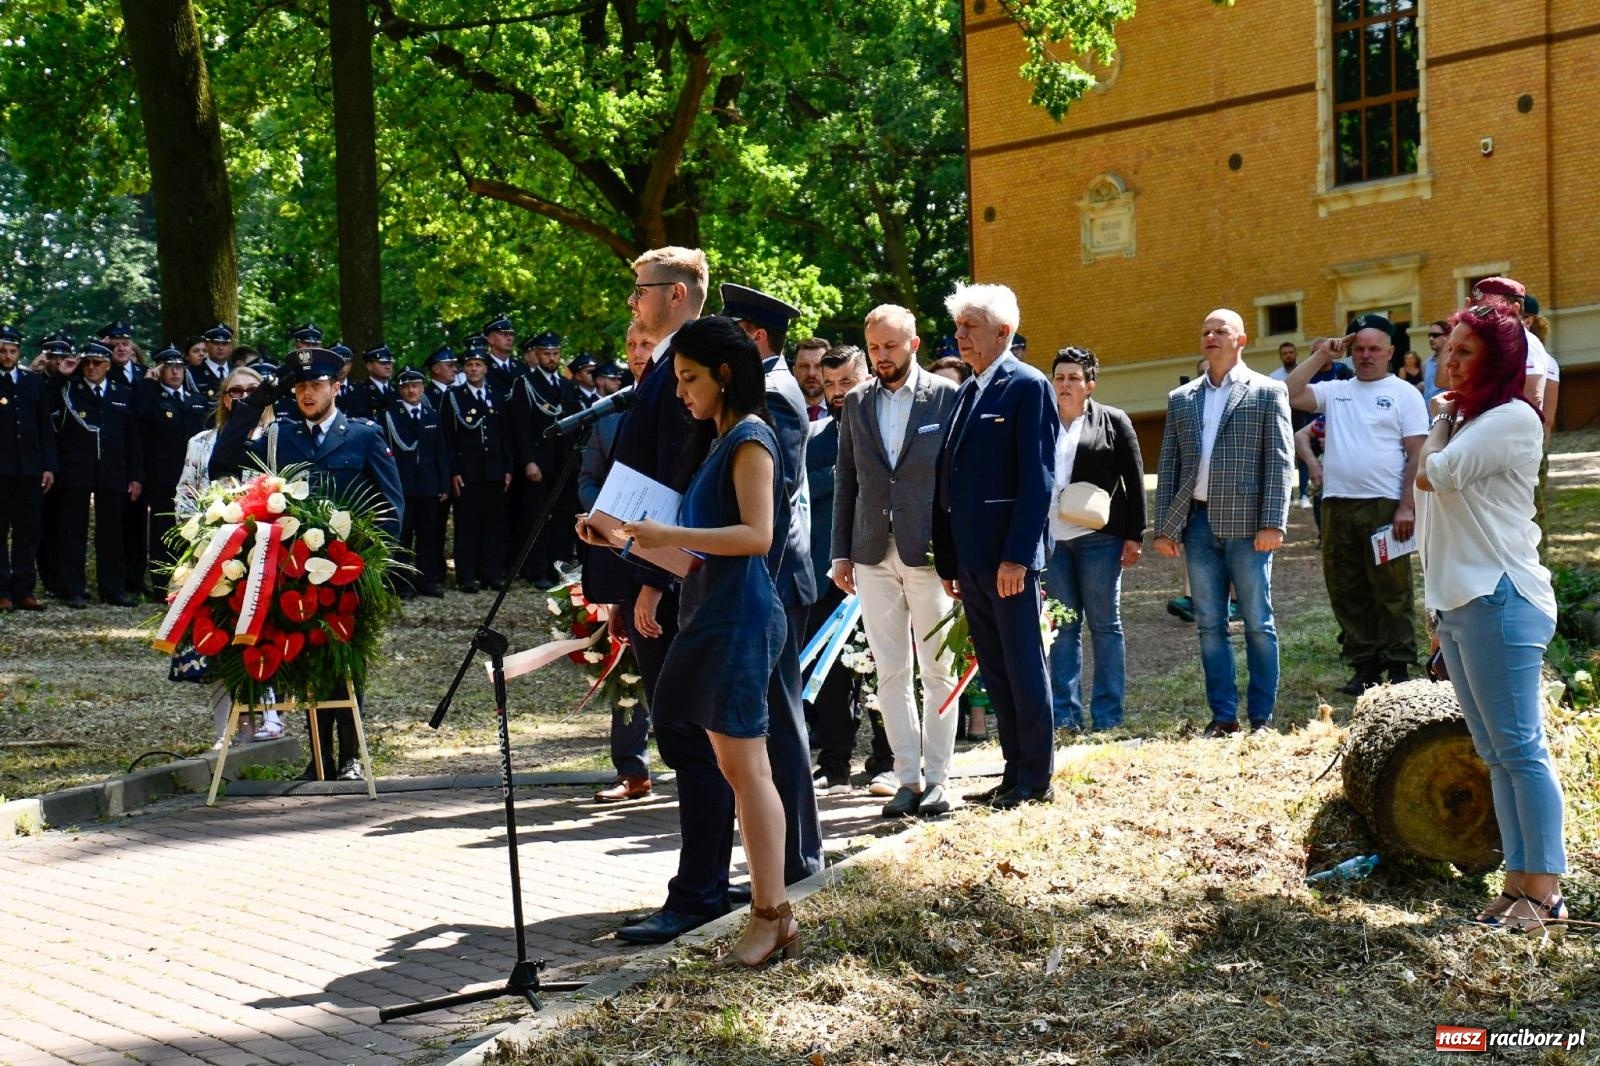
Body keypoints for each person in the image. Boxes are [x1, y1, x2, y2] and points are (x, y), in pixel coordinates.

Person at [578, 315, 796, 967]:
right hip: (712, 610)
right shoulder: (720, 441)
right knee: (734, 766)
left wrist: (666, 535)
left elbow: (757, 536)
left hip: (738, 616)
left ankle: (771, 915)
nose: (680, 392)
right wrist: (621, 537)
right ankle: (768, 914)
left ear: (725, 375)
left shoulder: (751, 438)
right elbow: (699, 556)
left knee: (747, 769)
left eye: (690, 378)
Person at [1415, 299, 1566, 937]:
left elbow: (1435, 476)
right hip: (1460, 599)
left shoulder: (1510, 419)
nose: (1450, 358)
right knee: (1495, 752)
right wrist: (1433, 604)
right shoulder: (1470, 417)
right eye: (1448, 347)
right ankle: (1517, 884)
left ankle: (1548, 893)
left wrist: (1442, 418)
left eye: (1466, 350)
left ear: (1500, 358)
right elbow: (1434, 517)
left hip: (1500, 596)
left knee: (1520, 750)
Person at [608, 246, 730, 945]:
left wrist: (654, 580)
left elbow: (680, 480)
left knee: (687, 733)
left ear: (678, 294)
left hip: (675, 576)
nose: (634, 303)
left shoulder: (693, 369)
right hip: (650, 564)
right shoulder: (665, 366)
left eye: (642, 290)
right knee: (685, 734)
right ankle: (703, 879)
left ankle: (700, 889)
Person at [210, 348, 404, 779]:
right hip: (295, 570)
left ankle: (351, 756)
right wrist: (258, 400)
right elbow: (222, 461)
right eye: (299, 386)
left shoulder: (363, 435)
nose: (306, 393)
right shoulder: (282, 435)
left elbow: (391, 506)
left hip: (350, 571)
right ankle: (320, 759)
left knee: (347, 662)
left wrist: (375, 568)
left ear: (337, 387)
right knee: (308, 661)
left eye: (316, 384)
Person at [831, 307, 962, 815]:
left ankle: (940, 778)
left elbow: (958, 480)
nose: (881, 357)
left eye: (890, 346)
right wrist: (840, 551)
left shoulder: (947, 397)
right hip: (869, 552)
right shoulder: (857, 401)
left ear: (914, 342)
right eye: (874, 348)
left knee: (939, 671)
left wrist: (959, 553)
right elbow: (847, 477)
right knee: (890, 672)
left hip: (929, 553)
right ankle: (906, 778)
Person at [932, 283, 1057, 808]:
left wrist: (1018, 556)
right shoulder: (967, 390)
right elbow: (949, 479)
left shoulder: (1028, 386)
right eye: (958, 327)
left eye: (970, 327)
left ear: (1003, 333)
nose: (960, 336)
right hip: (972, 559)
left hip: (1007, 560)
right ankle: (1012, 772)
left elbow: (1038, 479)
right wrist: (949, 557)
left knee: (1024, 666)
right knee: (996, 668)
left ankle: (1035, 779)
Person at [720, 282, 824, 886]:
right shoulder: (766, 387)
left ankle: (797, 857)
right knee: (769, 717)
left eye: (734, 328)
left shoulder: (775, 394)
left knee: (779, 721)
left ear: (755, 336)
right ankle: (780, 853)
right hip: (771, 576)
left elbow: (776, 500)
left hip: (778, 579)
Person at [1152, 309, 1293, 736]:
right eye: (1206, 330)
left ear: (1241, 340)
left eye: (1221, 331)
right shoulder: (1183, 398)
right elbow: (1170, 464)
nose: (1211, 336)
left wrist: (1274, 523)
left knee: (1257, 621)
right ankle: (1224, 716)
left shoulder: (1268, 392)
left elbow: (1280, 462)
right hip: (1197, 524)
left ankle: (1262, 717)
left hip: (1250, 526)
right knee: (1209, 624)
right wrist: (1165, 527)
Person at [1287, 314, 1428, 694]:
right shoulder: (1336, 390)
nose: (1366, 356)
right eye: (1359, 348)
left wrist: (1406, 507)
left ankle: (1398, 668)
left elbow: (1417, 456)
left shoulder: (1405, 394)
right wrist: (1321, 355)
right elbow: (1288, 392)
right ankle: (1364, 666)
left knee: (1392, 590)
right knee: (1347, 589)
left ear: (1390, 352)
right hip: (1337, 506)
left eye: (1374, 349)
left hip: (1385, 506)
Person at [175, 365, 285, 743]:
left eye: (250, 391)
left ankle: (271, 715)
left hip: (267, 547)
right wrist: (198, 534)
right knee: (218, 636)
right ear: (223, 398)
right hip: (215, 547)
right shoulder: (202, 441)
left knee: (264, 632)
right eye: (233, 392)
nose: (241, 398)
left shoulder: (277, 436)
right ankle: (226, 728)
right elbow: (186, 493)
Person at [805, 344, 893, 796]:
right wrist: (844, 471)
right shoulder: (814, 437)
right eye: (831, 383)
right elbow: (800, 488)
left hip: (883, 566)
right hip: (828, 573)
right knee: (831, 676)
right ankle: (834, 764)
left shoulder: (887, 428)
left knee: (885, 667)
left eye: (847, 382)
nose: (839, 392)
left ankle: (887, 759)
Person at [1043, 347, 1145, 732]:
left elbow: (1134, 481)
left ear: (1090, 385)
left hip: (1100, 538)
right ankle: (1066, 716)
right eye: (1060, 377)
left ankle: (1108, 716)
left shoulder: (1113, 421)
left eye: (1074, 378)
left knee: (1105, 624)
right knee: (1062, 627)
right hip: (1051, 540)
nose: (1065, 384)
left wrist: (1134, 534)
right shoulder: (1038, 421)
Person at [582, 328, 659, 804]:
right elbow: (587, 480)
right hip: (621, 554)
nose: (636, 354)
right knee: (628, 665)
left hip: (677, 555)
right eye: (630, 346)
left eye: (645, 345)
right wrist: (608, 521)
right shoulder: (607, 415)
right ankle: (632, 771)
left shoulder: (684, 406)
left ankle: (703, 772)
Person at [52, 341, 144, 609]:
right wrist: (62, 374)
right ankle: (74, 589)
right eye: (88, 363)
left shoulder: (121, 392)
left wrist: (136, 476)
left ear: (108, 365)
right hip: (76, 470)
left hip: (113, 471)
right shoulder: (70, 389)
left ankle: (112, 589)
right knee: (73, 532)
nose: (92, 368)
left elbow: (133, 439)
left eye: (98, 362)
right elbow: (43, 400)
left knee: (112, 533)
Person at [133, 344, 210, 596]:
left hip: (193, 477)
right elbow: (139, 417)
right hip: (162, 476)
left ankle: (191, 581)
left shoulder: (196, 400)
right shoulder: (152, 397)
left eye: (179, 367)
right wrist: (147, 382)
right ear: (160, 370)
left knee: (194, 526)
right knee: (163, 530)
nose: (175, 373)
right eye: (169, 368)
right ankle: (161, 584)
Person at [441, 348, 513, 593]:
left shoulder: (498, 396)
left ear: (486, 368)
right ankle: (466, 576)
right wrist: (453, 471)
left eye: (478, 364)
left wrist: (508, 468)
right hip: (467, 472)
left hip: (494, 471)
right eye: (470, 364)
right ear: (464, 369)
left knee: (494, 526)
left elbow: (505, 436)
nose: (474, 369)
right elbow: (447, 439)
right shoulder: (454, 397)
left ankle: (492, 573)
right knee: (467, 526)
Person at [0, 324, 56, 612]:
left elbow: (44, 427)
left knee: (28, 530)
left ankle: (24, 589)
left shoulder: (31, 382)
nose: (7, 356)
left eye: (12, 351)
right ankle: (2, 591)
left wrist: (48, 466)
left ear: (19, 353)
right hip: (2, 469)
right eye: (3, 351)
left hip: (30, 468)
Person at [384, 368, 450, 598]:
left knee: (429, 537)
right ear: (400, 390)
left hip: (429, 486)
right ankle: (402, 584)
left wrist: (443, 484)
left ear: (423, 388)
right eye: (406, 387)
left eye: (416, 386)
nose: (411, 391)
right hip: (402, 487)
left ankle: (427, 581)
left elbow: (441, 452)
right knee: (402, 538)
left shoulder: (432, 416)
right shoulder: (390, 416)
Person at [791, 337, 829, 422]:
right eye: (804, 366)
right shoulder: (782, 412)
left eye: (819, 366)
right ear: (794, 371)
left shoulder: (845, 411)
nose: (811, 373)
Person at [1421, 320, 1450, 401]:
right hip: (1428, 412)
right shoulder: (1426, 363)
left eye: (1435, 335)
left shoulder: (1453, 362)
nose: (1431, 338)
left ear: (1447, 337)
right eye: (1429, 335)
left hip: (1448, 411)